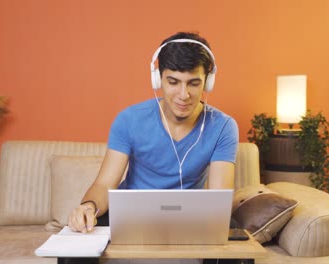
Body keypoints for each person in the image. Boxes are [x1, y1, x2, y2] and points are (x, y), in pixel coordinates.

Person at [63, 32, 239, 264]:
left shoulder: (223, 126)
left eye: (194, 83)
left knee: (234, 242)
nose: (183, 95)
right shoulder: (129, 119)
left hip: (188, 220)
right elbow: (104, 184)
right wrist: (88, 206)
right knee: (73, 247)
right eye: (173, 82)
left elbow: (218, 200)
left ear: (208, 81)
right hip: (130, 217)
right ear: (158, 80)